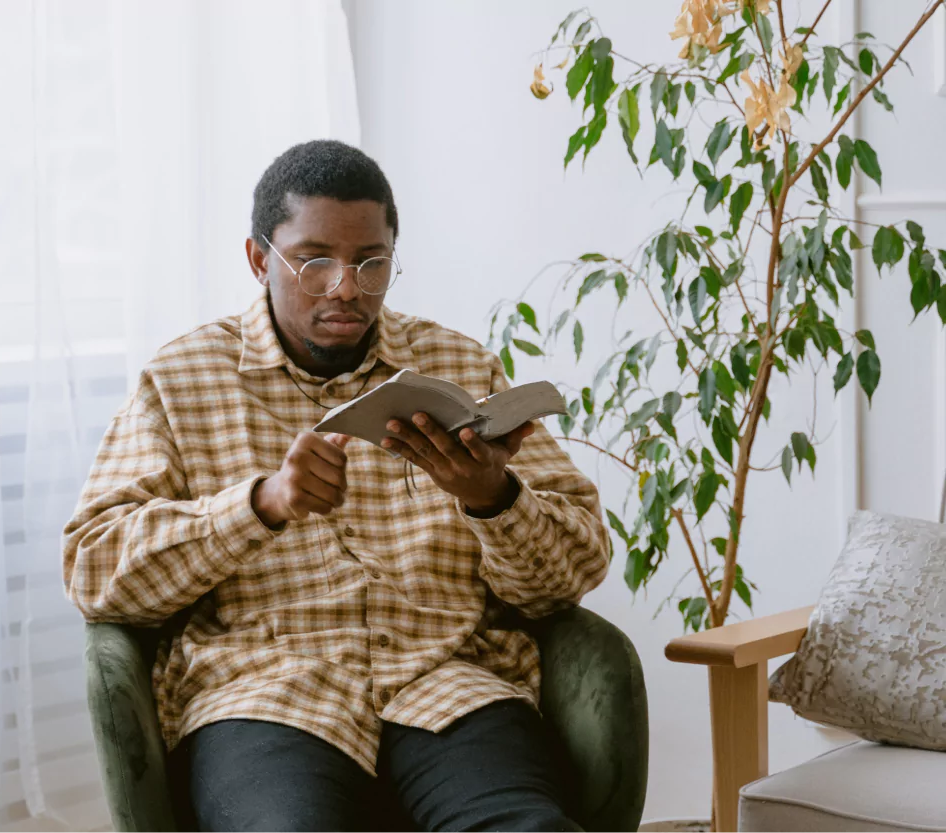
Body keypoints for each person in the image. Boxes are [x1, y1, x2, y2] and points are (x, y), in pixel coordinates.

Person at [63, 140, 609, 833]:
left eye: (371, 261)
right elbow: (93, 567)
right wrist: (260, 505)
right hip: (266, 693)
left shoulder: (459, 364)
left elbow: (579, 564)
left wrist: (492, 499)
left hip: (447, 683)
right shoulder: (178, 381)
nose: (346, 286)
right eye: (314, 259)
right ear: (260, 259)